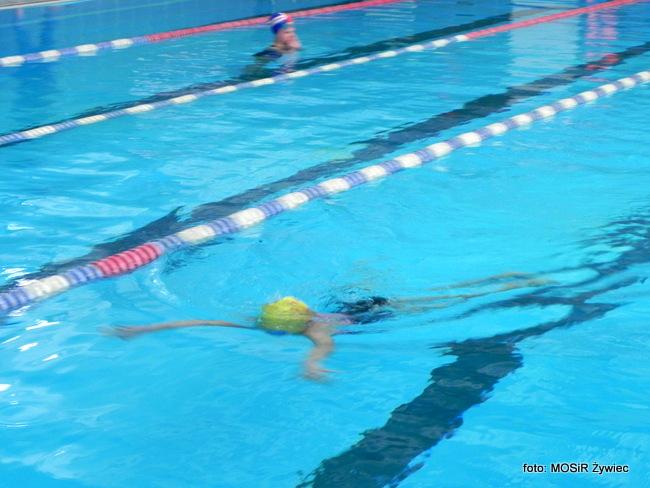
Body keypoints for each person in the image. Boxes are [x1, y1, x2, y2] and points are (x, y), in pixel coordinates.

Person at [107, 272, 550, 380]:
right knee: (437, 295)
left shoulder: (311, 331)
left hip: (369, 315)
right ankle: (504, 279)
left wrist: (313, 364)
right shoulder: (295, 321)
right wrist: (143, 330)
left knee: (445, 300)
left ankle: (504, 281)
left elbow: (323, 348)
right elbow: (201, 318)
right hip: (346, 305)